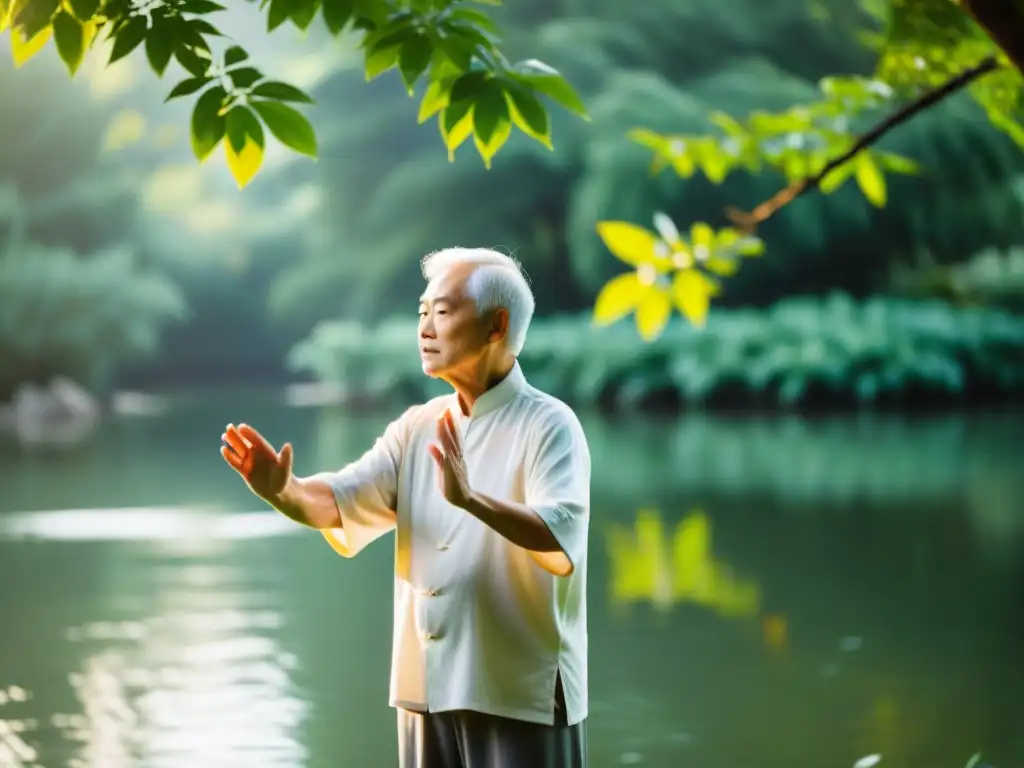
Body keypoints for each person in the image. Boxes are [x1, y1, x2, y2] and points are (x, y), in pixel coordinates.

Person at [220, 247, 591, 768]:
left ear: (495, 325)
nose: (425, 327)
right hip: (426, 686)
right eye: (422, 313)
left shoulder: (550, 425)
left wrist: (471, 501)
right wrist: (282, 491)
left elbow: (559, 542)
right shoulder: (417, 426)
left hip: (518, 693)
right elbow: (340, 501)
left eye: (442, 312)